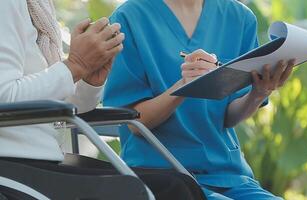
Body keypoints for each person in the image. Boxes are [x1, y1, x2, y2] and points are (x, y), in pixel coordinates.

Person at [0, 1, 202, 199]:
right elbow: (5, 98)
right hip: (13, 163)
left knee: (183, 183)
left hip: (46, 157)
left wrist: (89, 82)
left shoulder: (38, 7)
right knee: (172, 190)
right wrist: (75, 65)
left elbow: (58, 106)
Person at [104, 0, 296, 199]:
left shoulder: (240, 18)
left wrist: (258, 93)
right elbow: (135, 123)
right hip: (163, 177)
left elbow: (228, 117)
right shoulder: (129, 18)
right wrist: (184, 86)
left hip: (228, 177)